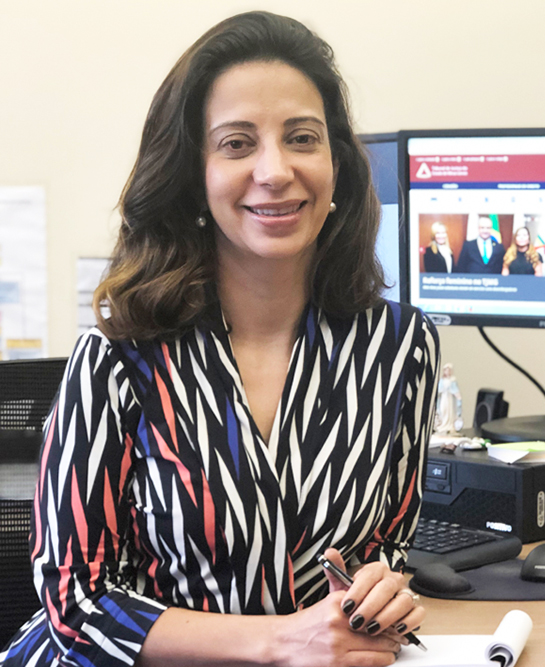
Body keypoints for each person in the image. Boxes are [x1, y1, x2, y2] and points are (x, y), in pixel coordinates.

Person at [0, 12, 438, 667]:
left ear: (338, 165)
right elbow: (76, 602)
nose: (275, 169)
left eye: (302, 137)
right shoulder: (121, 356)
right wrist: (278, 643)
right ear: (194, 174)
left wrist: (378, 592)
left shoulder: (402, 347)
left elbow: (383, 547)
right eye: (237, 144)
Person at [433, 363, 463, 434]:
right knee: (443, 410)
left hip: (449, 399)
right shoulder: (442, 380)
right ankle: (443, 425)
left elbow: (455, 390)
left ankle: (449, 425)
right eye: (446, 370)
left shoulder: (452, 380)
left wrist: (458, 396)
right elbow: (439, 390)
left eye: (449, 370)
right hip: (443, 398)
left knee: (449, 412)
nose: (447, 371)